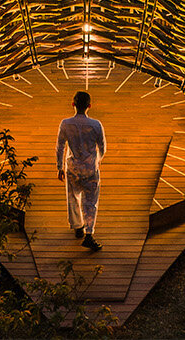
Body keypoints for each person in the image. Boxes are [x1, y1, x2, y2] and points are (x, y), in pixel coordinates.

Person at [55, 90, 106, 252]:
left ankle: (77, 226)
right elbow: (102, 146)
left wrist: (59, 167)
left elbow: (60, 146)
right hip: (90, 168)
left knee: (73, 197)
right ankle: (89, 234)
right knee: (91, 202)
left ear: (73, 104)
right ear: (89, 106)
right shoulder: (96, 124)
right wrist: (96, 160)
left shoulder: (65, 123)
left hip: (72, 167)